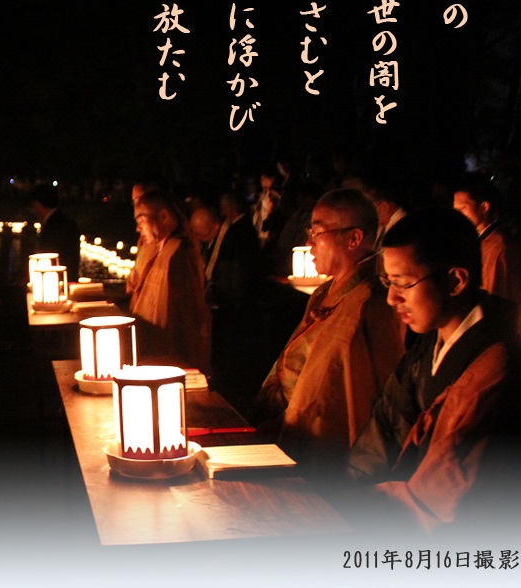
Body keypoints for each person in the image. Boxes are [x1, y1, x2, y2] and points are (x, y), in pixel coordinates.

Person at [346, 208, 521, 538]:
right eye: (388, 282)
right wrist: (349, 491)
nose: (392, 298)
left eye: (403, 283)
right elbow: (385, 425)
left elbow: (452, 494)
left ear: (455, 281)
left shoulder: (499, 369)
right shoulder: (427, 344)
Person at [252, 188, 405, 474]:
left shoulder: (370, 305)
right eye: (309, 232)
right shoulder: (324, 293)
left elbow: (343, 399)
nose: (308, 243)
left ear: (354, 239)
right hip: (281, 426)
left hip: (318, 452)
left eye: (317, 232)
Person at [129, 190, 212, 374]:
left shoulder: (178, 254)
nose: (138, 229)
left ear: (164, 216)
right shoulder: (161, 250)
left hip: (172, 359)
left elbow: (186, 316)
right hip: (155, 353)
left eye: (141, 220)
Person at [189, 196, 261, 404]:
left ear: (214, 226)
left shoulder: (233, 239)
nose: (199, 238)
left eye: (201, 232)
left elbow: (235, 281)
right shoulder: (214, 240)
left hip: (233, 314)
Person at [452, 173, 521, 309]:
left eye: (462, 208)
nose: (458, 215)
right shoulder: (482, 240)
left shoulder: (497, 246)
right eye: (455, 210)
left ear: (484, 207)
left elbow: (492, 294)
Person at [29, 183, 82, 281]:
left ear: (37, 204)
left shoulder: (53, 226)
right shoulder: (66, 221)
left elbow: (47, 255)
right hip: (69, 278)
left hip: (55, 280)